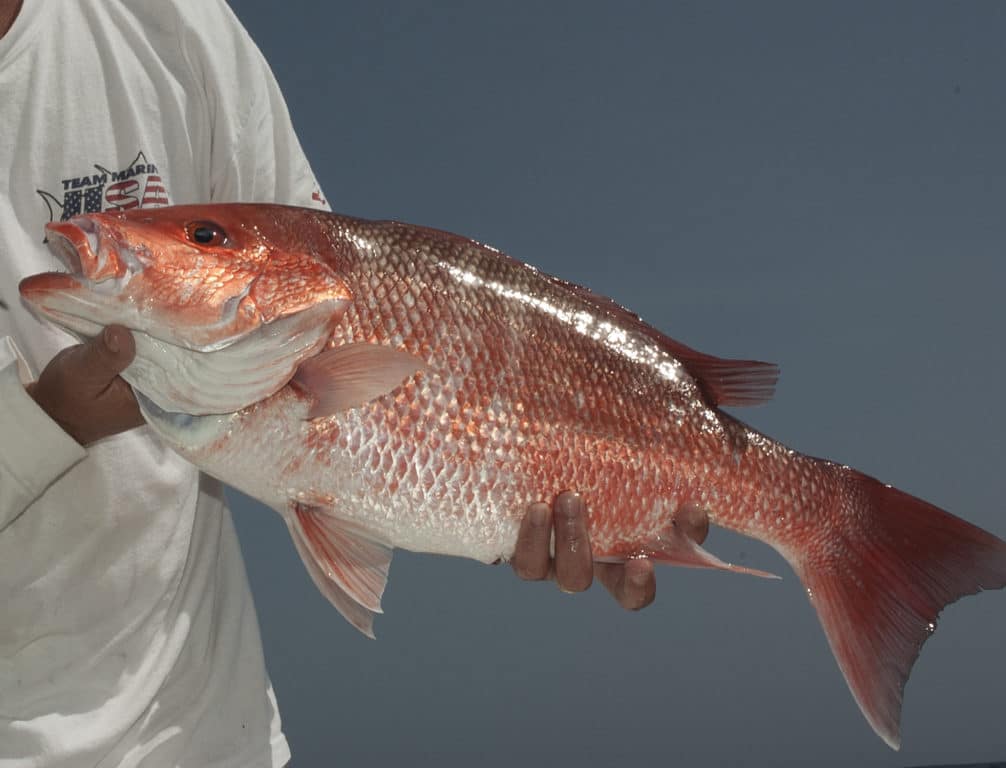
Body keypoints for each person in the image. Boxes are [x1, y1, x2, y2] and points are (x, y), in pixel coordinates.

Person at [0, 0, 655, 765]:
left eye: (200, 237)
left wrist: (587, 484)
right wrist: (54, 420)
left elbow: (337, 284)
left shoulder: (167, 21)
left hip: (211, 732)